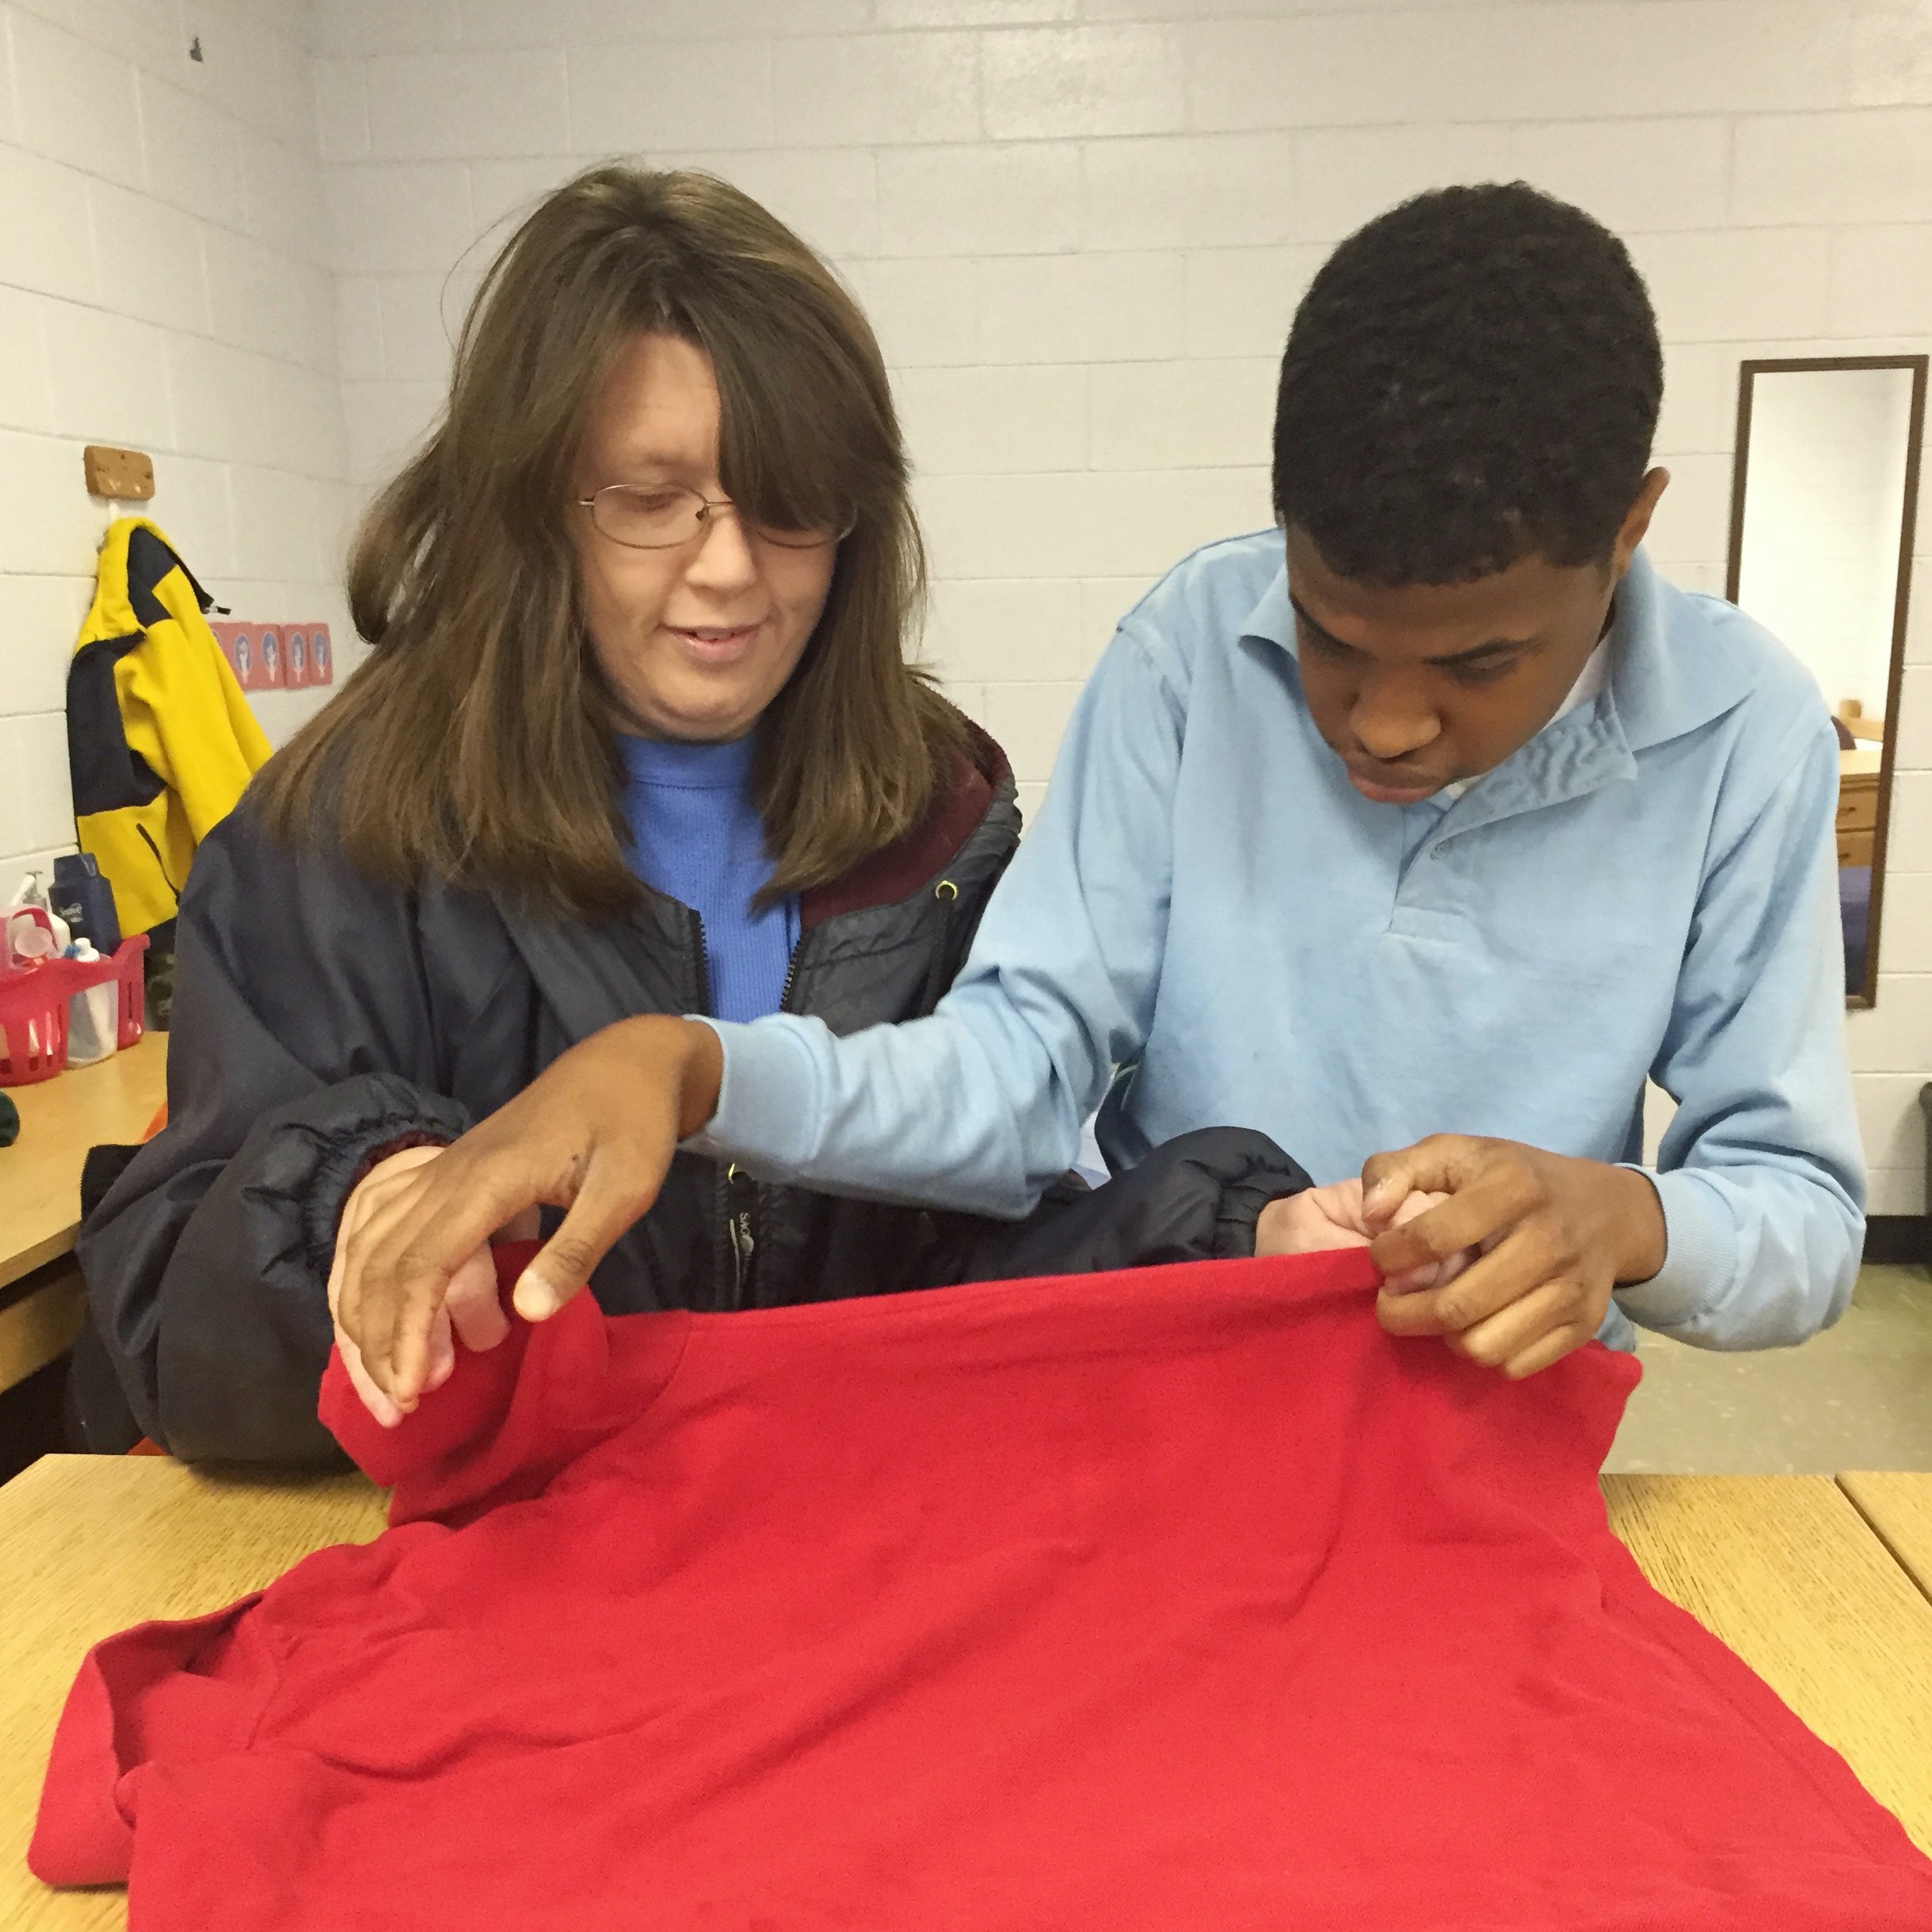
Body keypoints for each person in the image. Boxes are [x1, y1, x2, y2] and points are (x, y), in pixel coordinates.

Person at [330, 182, 1865, 1417]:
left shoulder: (1745, 739)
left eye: (1477, 661)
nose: (1385, 720)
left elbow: (1795, 1211)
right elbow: (1015, 1072)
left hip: (1493, 1438)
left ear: (1629, 530)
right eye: (1329, 633)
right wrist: (697, 1069)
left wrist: (1624, 1220)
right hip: (1168, 1391)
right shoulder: (1191, 653)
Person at [74, 166, 1341, 1464]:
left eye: (788, 503)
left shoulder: (938, 812)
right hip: (502, 1584)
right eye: (647, 498)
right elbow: (178, 1323)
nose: (730, 565)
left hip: (818, 1562)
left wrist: (1225, 1238)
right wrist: (366, 1206)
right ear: (528, 506)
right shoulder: (342, 835)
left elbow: (961, 1270)